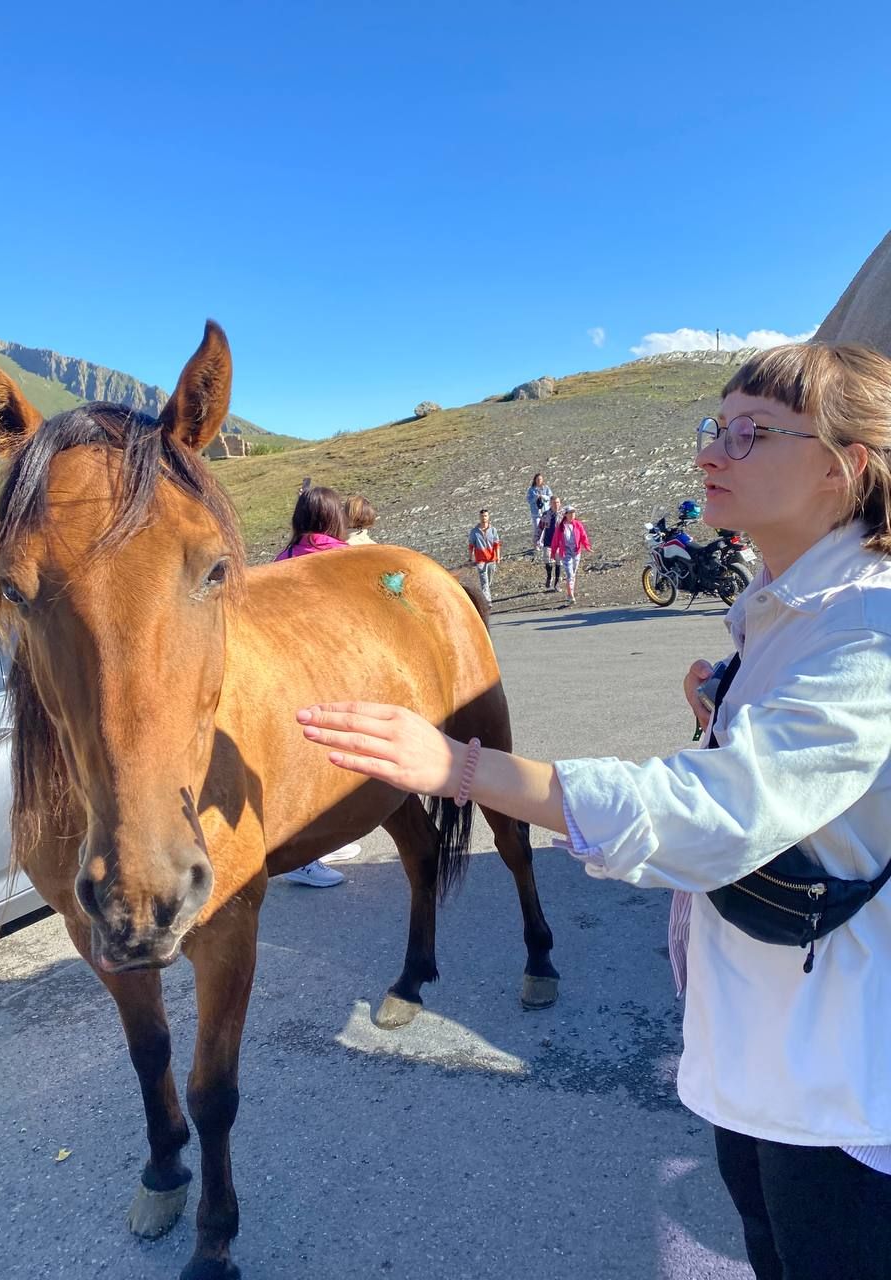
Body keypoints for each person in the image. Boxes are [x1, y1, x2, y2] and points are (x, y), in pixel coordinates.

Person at [296, 343, 891, 1278]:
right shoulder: (788, 612)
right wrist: (727, 707)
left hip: (838, 1083)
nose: (711, 456)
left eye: (750, 434)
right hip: (759, 1058)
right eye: (714, 428)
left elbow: (717, 812)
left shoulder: (870, 627)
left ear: (843, 466)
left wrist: (461, 766)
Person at [274, 485, 360, 884]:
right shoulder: (343, 558)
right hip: (334, 676)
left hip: (291, 679)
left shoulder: (283, 558)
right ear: (333, 519)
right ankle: (304, 858)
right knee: (330, 767)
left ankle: (323, 842)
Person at [550, 504, 591, 605]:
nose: (572, 515)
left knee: (573, 573)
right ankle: (570, 595)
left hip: (576, 552)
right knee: (569, 574)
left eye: (574, 513)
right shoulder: (560, 527)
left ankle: (571, 591)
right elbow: (555, 541)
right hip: (565, 552)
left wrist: (587, 546)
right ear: (566, 515)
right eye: (570, 513)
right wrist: (553, 553)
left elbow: (583, 536)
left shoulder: (578, 524)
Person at [468, 508, 501, 604]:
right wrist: (470, 558)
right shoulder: (474, 531)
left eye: (485, 516)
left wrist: (498, 556)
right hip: (480, 560)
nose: (484, 518)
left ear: (488, 517)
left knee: (489, 580)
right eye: (482, 516)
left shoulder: (493, 530)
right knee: (484, 581)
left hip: (491, 559)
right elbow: (471, 545)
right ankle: (488, 602)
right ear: (479, 517)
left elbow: (497, 544)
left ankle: (485, 593)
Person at [537, 495, 563, 591]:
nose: (556, 505)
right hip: (548, 541)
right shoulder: (546, 515)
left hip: (559, 543)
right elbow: (540, 527)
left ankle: (557, 583)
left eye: (557, 502)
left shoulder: (563, 515)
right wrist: (536, 539)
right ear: (550, 504)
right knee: (547, 561)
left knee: (558, 563)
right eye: (554, 503)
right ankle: (549, 576)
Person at [525, 473, 553, 552]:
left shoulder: (546, 488)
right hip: (536, 513)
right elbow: (529, 500)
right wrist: (535, 498)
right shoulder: (531, 490)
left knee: (545, 528)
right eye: (537, 479)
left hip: (545, 512)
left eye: (540, 479)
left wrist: (543, 496)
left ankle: (544, 543)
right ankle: (536, 544)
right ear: (535, 480)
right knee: (537, 528)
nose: (539, 481)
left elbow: (550, 497)